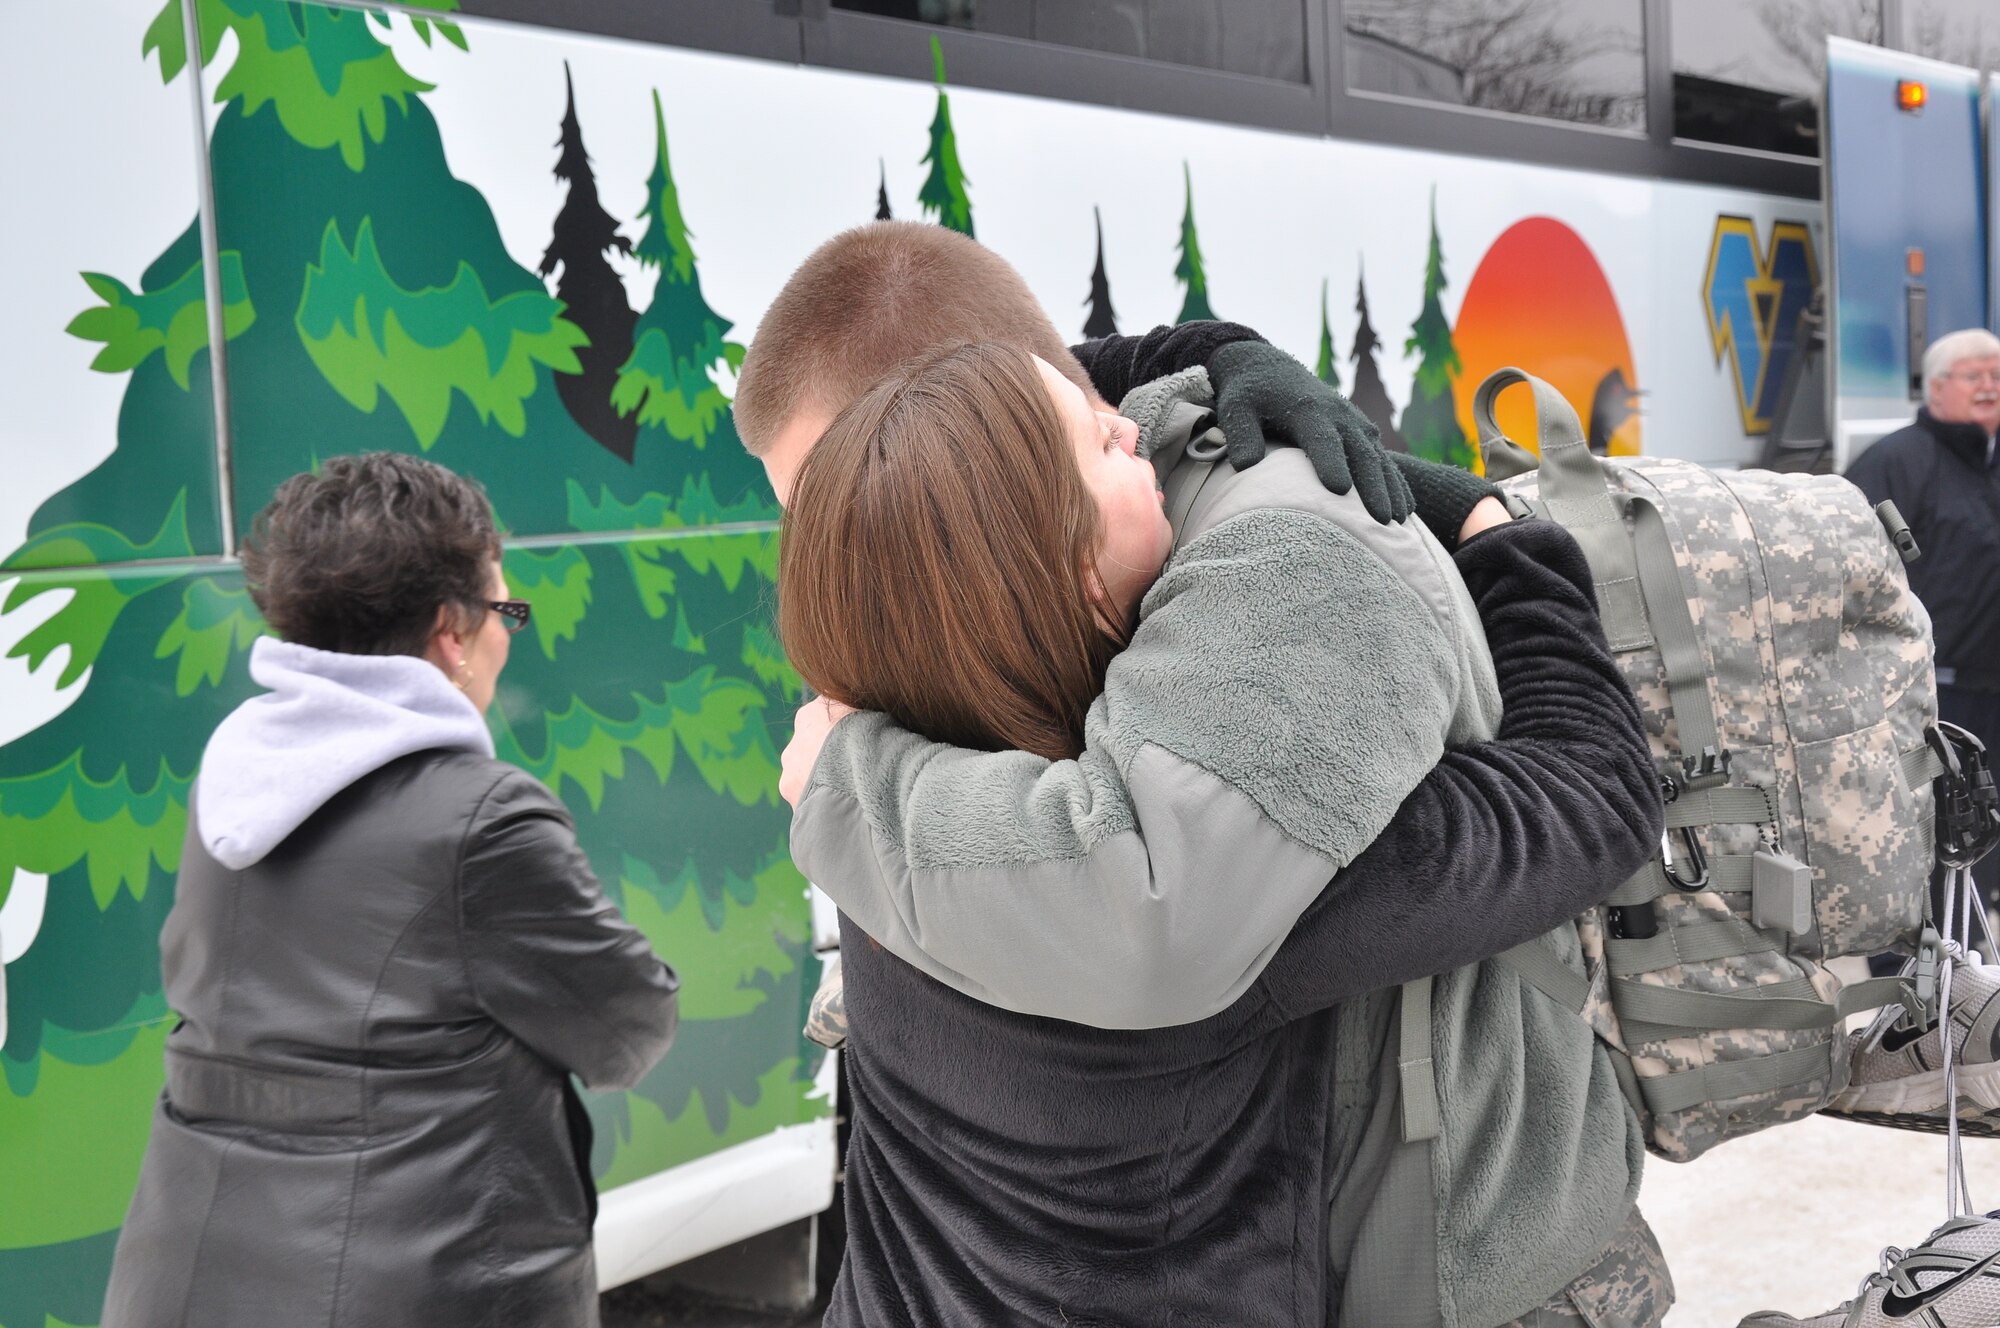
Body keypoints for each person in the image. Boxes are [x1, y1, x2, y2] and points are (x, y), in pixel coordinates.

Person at [735, 223, 1668, 1328]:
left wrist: (1217, 352)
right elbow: (1577, 806)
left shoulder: (922, 786)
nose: (843, 525)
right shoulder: (1132, 853)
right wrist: (1502, 538)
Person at [101, 454, 680, 1328]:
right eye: (505, 610)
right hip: (420, 1287)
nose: (509, 631)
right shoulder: (482, 818)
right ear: (452, 630)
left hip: (185, 1272)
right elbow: (626, 1026)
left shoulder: (235, 777)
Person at [1846, 328, 2000, 936]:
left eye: (1997, 374)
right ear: (1936, 388)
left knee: (1983, 829)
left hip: (1994, 691)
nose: (1989, 385)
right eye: (1973, 374)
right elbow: (1854, 570)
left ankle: (1973, 963)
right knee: (1929, 830)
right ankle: (1913, 963)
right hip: (1933, 694)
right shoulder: (1897, 461)